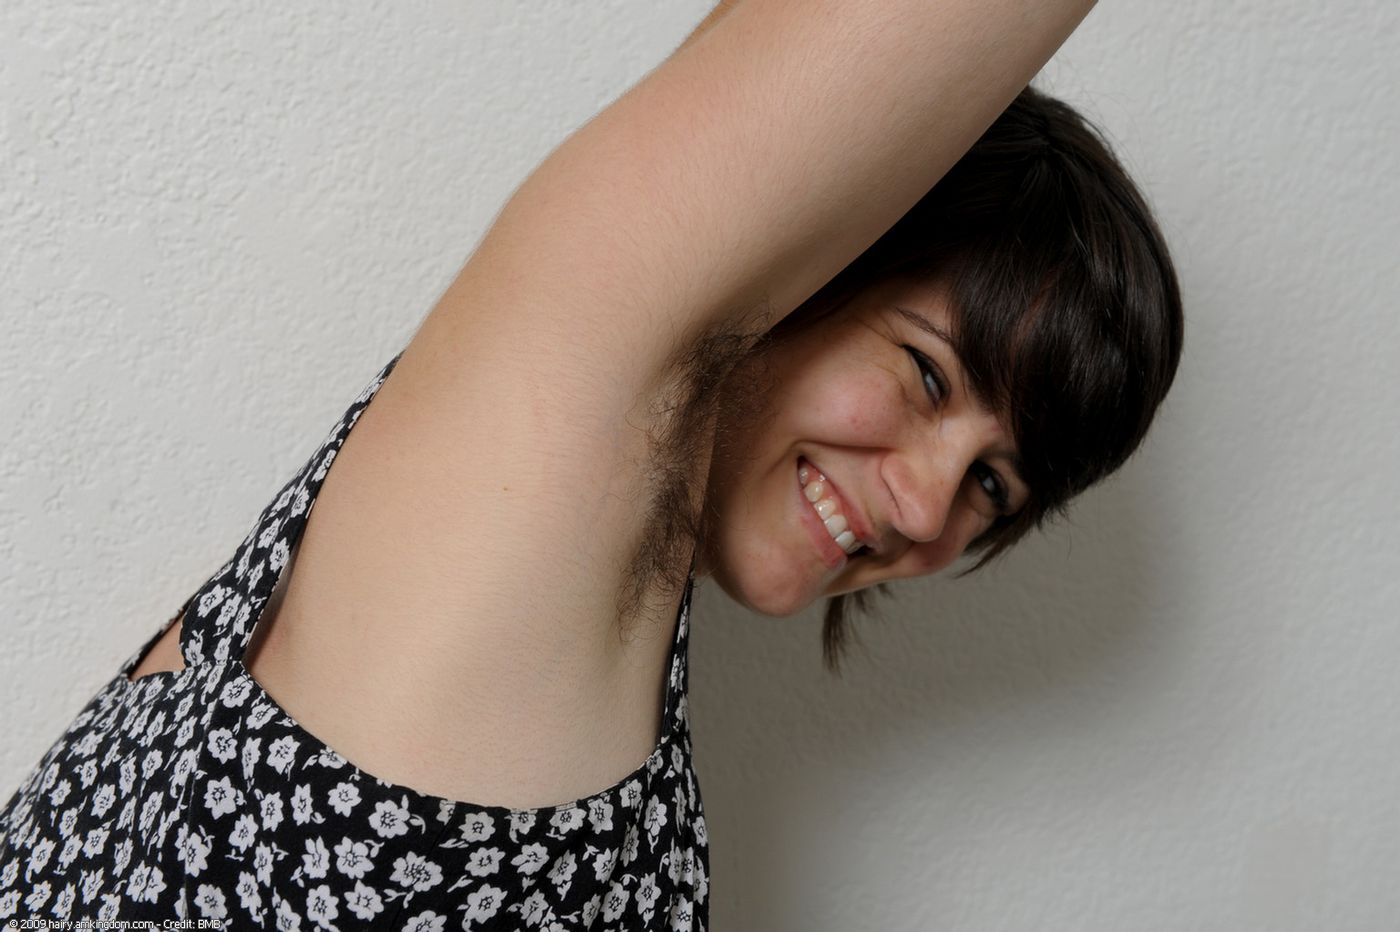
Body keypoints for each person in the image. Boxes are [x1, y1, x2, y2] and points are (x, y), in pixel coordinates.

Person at [0, 0, 1180, 927]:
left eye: (992, 484)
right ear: (803, 259)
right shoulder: (535, 469)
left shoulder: (590, 644)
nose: (925, 505)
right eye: (925, 373)